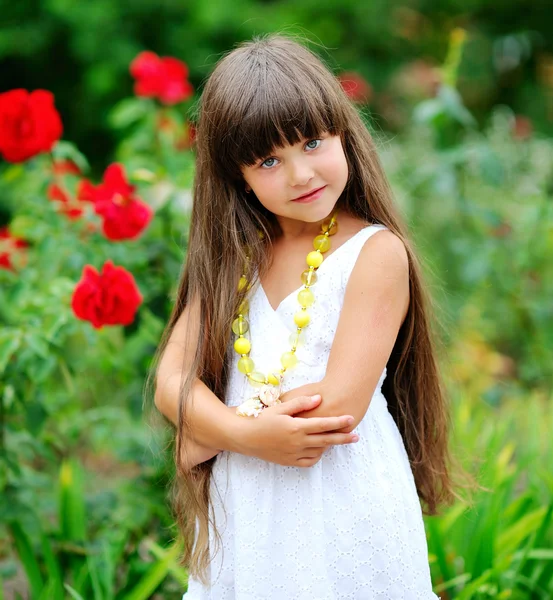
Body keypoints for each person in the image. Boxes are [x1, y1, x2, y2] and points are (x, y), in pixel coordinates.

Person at [151, 32, 456, 599]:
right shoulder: (232, 259)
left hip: (341, 506)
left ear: (343, 133)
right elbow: (172, 382)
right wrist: (246, 434)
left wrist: (212, 429)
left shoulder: (374, 252)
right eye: (269, 160)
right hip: (246, 510)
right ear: (236, 174)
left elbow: (334, 411)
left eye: (312, 142)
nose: (300, 175)